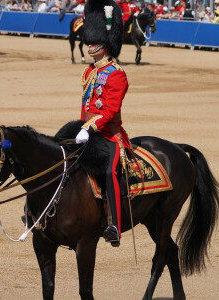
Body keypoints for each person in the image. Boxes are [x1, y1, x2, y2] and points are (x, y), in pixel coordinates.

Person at [75, 0, 131, 246]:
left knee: (109, 172)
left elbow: (109, 111)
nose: (90, 44)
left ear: (106, 43)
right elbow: (86, 106)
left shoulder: (117, 74)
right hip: (87, 131)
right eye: (89, 40)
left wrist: (90, 128)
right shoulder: (90, 72)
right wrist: (81, 127)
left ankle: (115, 225)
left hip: (108, 135)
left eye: (95, 40)